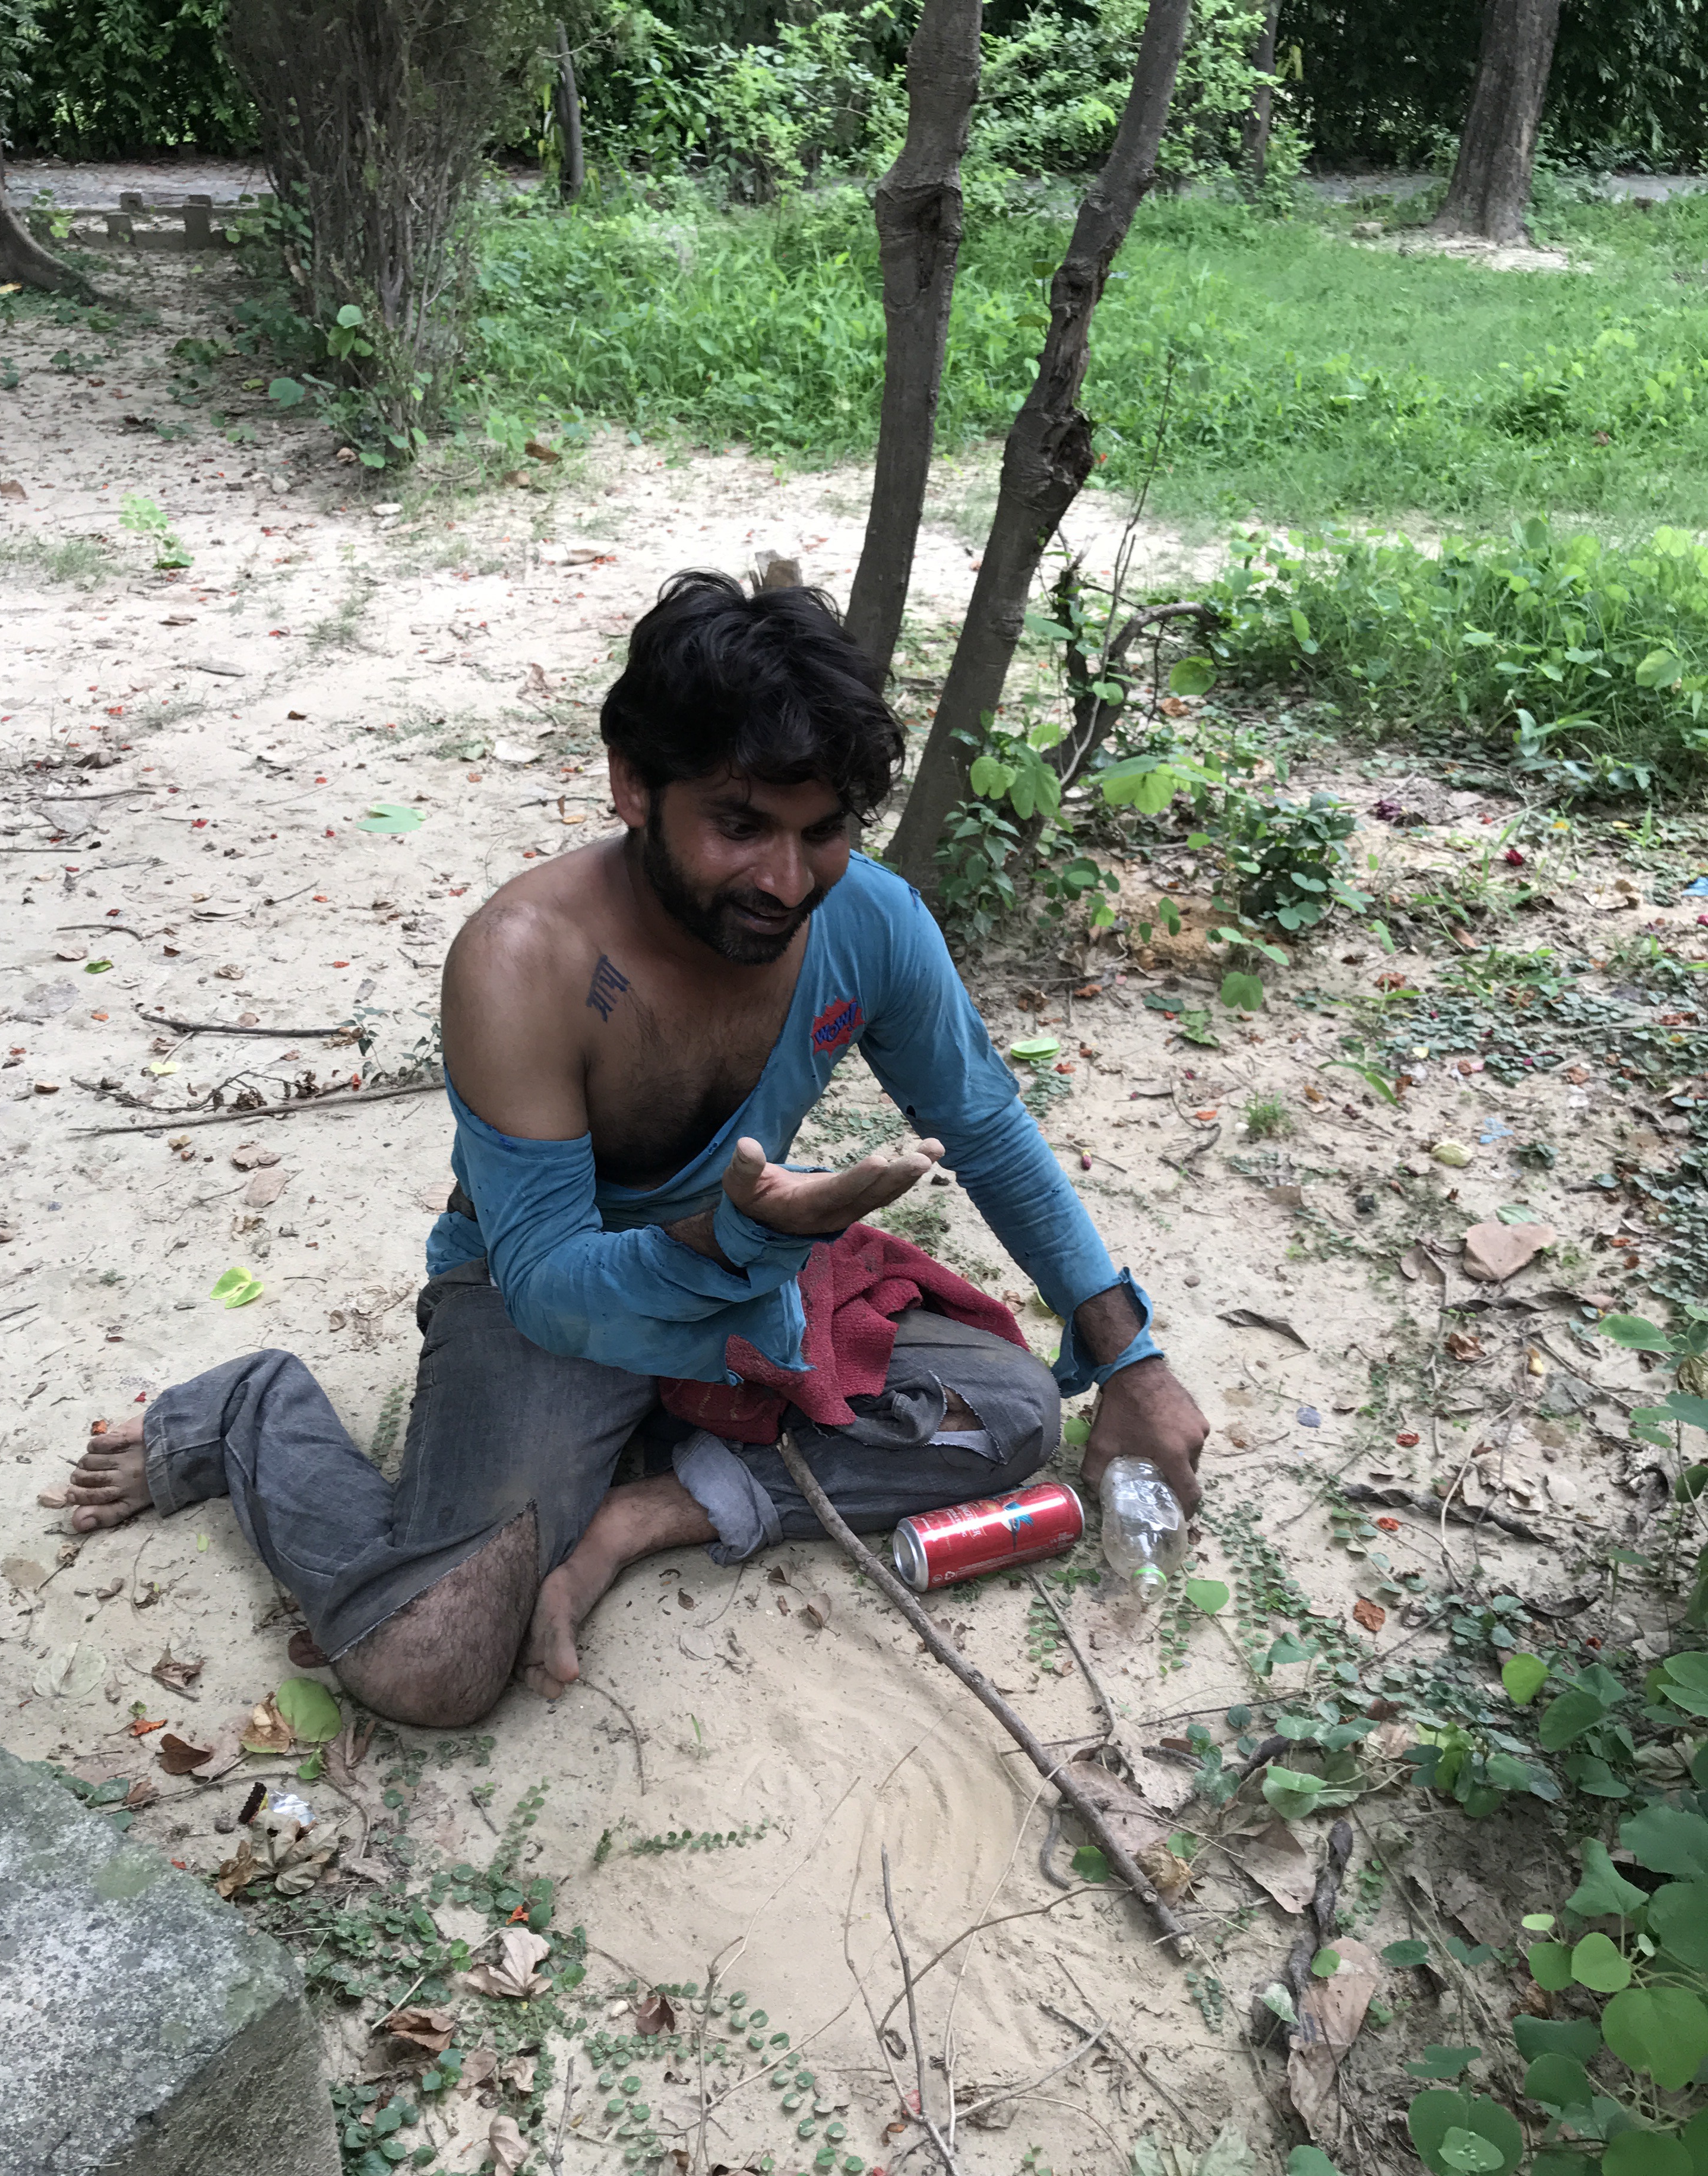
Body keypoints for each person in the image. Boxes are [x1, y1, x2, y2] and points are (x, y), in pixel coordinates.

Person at [59, 571, 1208, 1726]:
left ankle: (648, 1506)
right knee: (431, 1662)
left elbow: (988, 1129)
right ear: (633, 786)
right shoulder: (524, 962)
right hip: (540, 1292)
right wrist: (733, 1241)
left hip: (740, 1264)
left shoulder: (872, 922)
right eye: (740, 826)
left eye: (823, 833)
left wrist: (1132, 1362)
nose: (787, 881)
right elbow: (547, 1283)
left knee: (1009, 1412)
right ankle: (245, 1412)